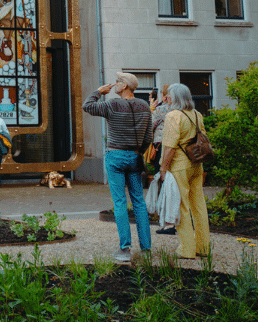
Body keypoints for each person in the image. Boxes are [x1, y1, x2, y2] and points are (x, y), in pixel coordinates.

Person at [83, 72, 153, 262]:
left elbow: (87, 106)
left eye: (118, 82)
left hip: (115, 155)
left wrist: (98, 91)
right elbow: (148, 137)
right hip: (135, 157)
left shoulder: (113, 105)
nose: (114, 84)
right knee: (138, 201)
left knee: (120, 202)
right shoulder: (144, 106)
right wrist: (139, 151)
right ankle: (146, 249)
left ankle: (125, 249)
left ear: (125, 86)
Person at [158, 83, 211, 260]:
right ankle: (203, 247)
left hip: (179, 166)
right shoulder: (197, 114)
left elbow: (169, 146)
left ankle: (187, 249)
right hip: (197, 164)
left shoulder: (173, 115)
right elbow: (203, 137)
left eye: (170, 95)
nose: (168, 98)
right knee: (199, 206)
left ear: (176, 98)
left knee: (182, 207)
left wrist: (163, 168)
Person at [149, 85, 179, 234]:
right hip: (178, 151)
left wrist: (151, 108)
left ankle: (167, 222)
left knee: (163, 180)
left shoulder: (162, 110)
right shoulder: (181, 111)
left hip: (162, 148)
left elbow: (149, 126)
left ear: (166, 96)